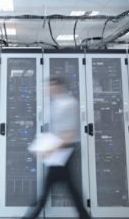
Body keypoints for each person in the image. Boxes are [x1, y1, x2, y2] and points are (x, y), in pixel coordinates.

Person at [23, 76, 90, 219]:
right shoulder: (55, 104)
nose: (47, 89)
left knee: (48, 190)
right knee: (69, 189)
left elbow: (70, 134)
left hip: (64, 152)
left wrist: (50, 150)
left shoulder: (69, 104)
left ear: (58, 86)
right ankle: (84, 216)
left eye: (50, 86)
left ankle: (30, 216)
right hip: (59, 152)